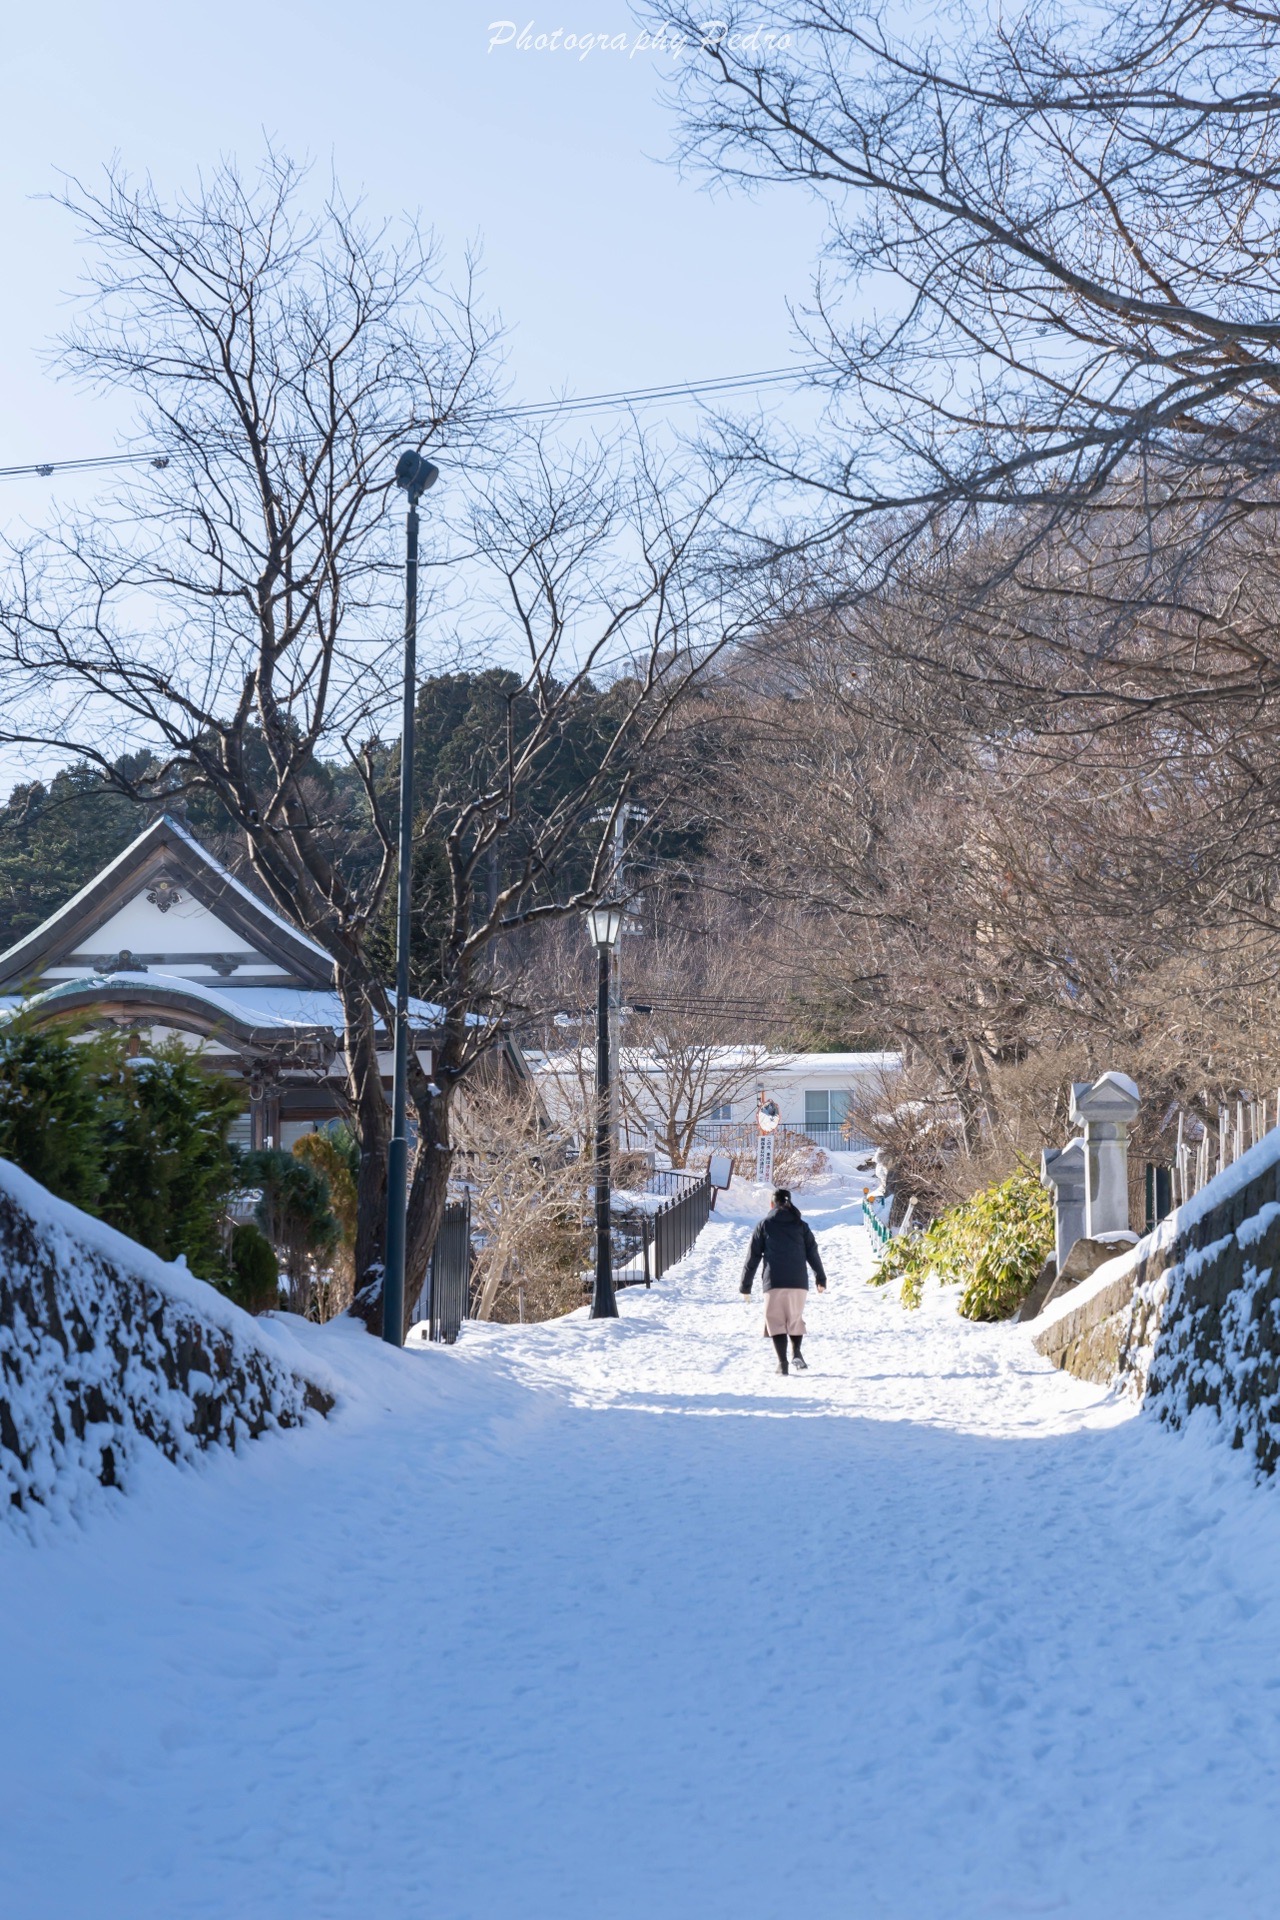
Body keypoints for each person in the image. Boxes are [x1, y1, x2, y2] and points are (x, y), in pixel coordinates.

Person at [739, 1188, 827, 1375]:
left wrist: (746, 1285)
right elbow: (813, 1252)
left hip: (774, 1281)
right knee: (794, 1318)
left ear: (772, 1204)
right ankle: (796, 1351)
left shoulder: (764, 1224)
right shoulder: (801, 1225)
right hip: (798, 1282)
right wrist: (821, 1277)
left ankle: (782, 1363)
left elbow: (753, 1257)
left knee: (776, 1321)